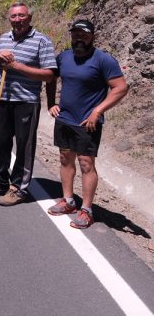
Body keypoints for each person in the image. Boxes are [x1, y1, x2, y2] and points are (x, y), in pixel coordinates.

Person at [45, 19, 128, 229]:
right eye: (75, 34)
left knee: (86, 164)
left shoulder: (103, 60)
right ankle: (68, 200)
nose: (79, 38)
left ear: (92, 36)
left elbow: (120, 87)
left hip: (87, 122)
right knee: (65, 158)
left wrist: (98, 110)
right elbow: (51, 78)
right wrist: (51, 103)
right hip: (64, 119)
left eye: (84, 34)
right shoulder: (63, 57)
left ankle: (87, 209)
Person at [0, 2, 57, 206]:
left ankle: (18, 188)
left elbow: (49, 74)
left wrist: (17, 66)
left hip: (26, 101)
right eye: (13, 16)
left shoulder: (42, 41)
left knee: (24, 146)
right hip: (2, 98)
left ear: (29, 18)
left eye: (21, 16)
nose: (17, 20)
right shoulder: (4, 38)